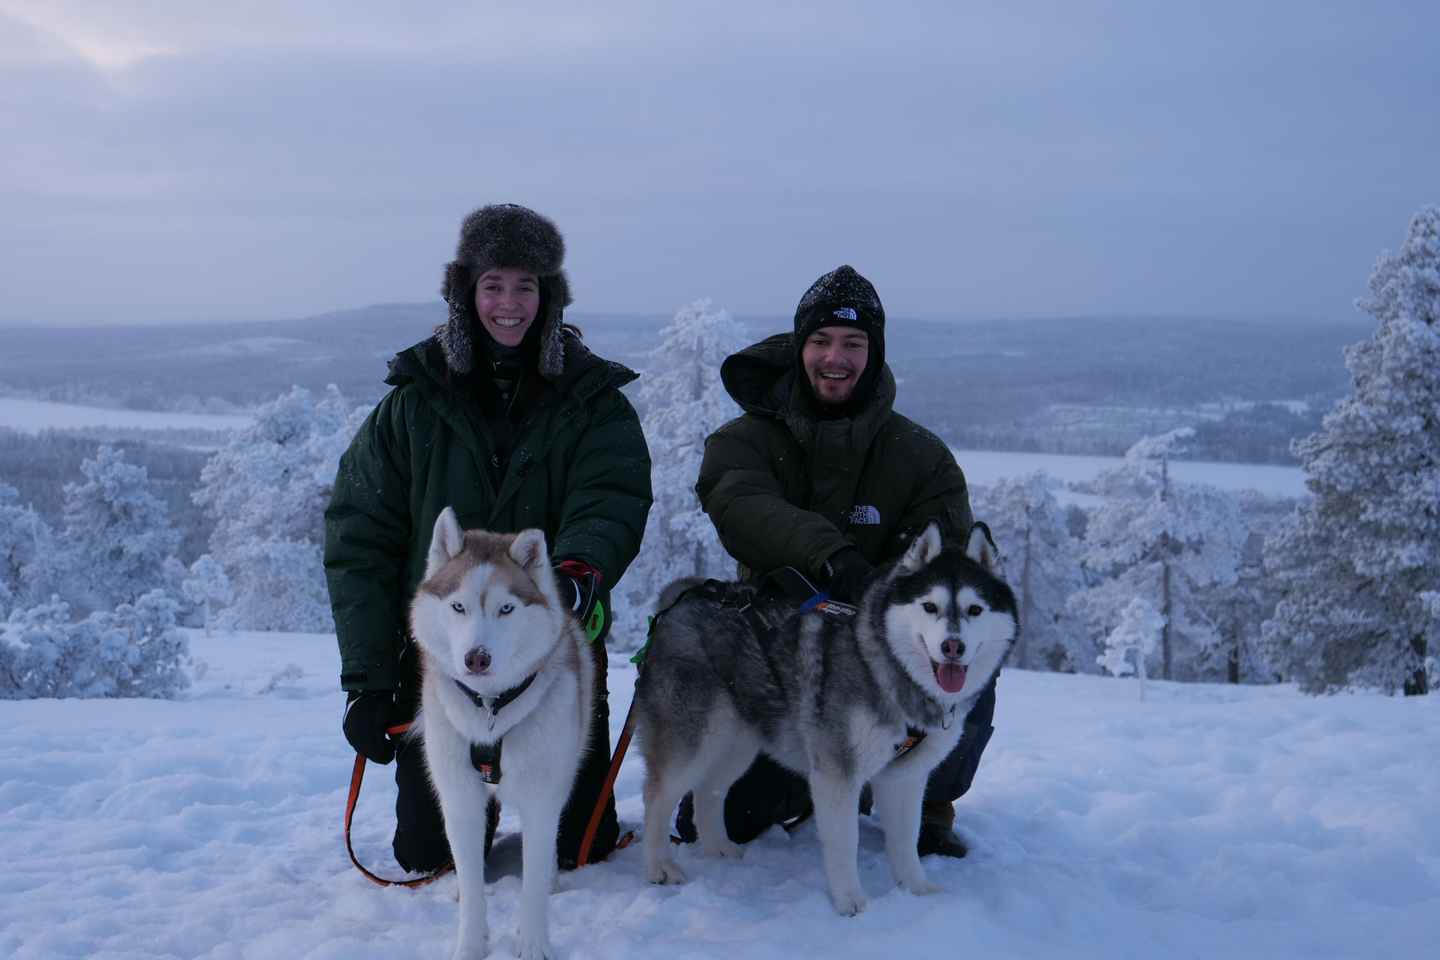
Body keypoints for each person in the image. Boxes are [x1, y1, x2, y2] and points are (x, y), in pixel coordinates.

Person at [324, 203, 652, 872]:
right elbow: (361, 534)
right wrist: (368, 678)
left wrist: (579, 569)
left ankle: (535, 808)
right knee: (427, 853)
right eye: (493, 285)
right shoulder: (412, 405)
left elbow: (611, 497)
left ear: (549, 296)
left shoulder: (592, 402)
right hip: (447, 669)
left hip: (553, 662)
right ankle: (479, 805)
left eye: (526, 286)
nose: (509, 304)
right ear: (465, 293)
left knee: (576, 850)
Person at [688, 263, 996, 857]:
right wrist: (834, 558)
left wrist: (886, 596)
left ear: (874, 355)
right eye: (822, 341)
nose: (837, 357)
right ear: (800, 347)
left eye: (854, 344)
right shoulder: (744, 441)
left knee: (965, 652)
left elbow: (947, 556)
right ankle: (823, 782)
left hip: (893, 642)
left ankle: (928, 796)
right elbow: (741, 505)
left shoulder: (921, 456)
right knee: (745, 813)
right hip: (784, 641)